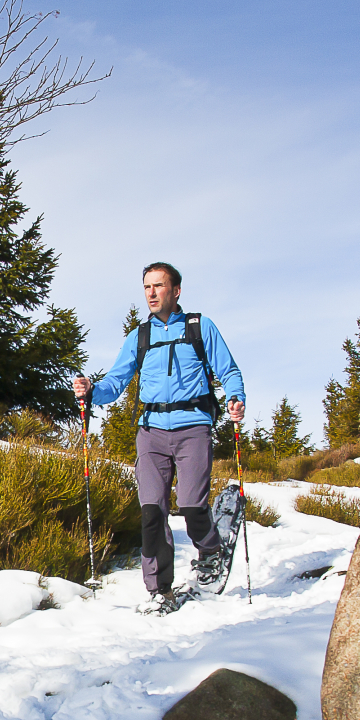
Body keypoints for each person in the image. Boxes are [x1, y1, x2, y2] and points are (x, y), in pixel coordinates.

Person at [73, 261, 245, 615]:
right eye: (147, 288)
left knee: (193, 506)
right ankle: (159, 589)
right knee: (152, 512)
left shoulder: (200, 327)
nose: (151, 294)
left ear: (176, 291)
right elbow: (114, 383)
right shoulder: (140, 337)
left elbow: (228, 370)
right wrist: (91, 391)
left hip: (193, 427)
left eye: (159, 286)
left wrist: (235, 396)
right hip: (150, 432)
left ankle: (211, 549)